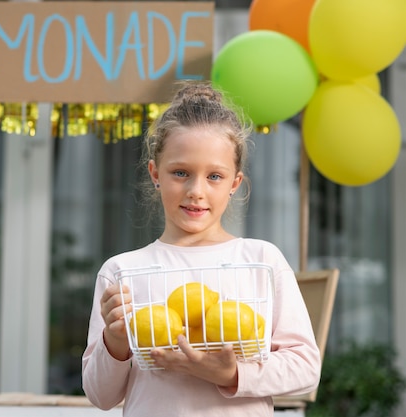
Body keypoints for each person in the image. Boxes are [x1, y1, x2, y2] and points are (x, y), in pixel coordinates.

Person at [81, 81, 321, 416]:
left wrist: (232, 374)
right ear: (155, 174)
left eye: (214, 177)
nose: (196, 190)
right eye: (180, 172)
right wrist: (116, 343)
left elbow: (306, 369)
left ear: (235, 183)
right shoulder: (122, 272)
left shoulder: (261, 261)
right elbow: (99, 395)